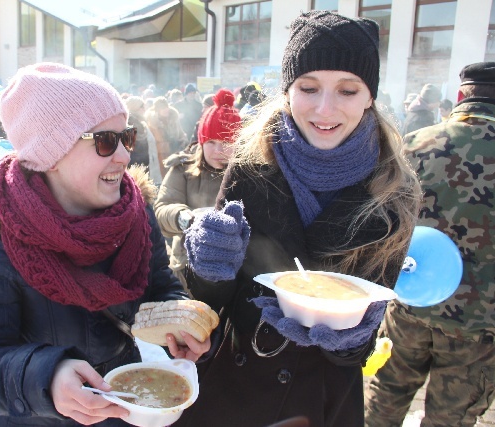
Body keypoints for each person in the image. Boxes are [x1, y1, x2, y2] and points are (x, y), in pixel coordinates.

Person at [174, 11, 421, 427]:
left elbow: (357, 347)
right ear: (287, 91)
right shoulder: (252, 167)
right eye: (309, 87)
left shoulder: (393, 194)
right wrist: (209, 263)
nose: (325, 109)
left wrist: (350, 339)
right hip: (232, 386)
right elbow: (212, 301)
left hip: (320, 398)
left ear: (370, 96)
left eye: (347, 89)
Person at [0, 63, 210, 426]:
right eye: (104, 141)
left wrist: (176, 318)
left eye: (126, 137)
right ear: (49, 156)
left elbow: (157, 283)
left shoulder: (134, 214)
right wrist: (46, 377)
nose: (123, 156)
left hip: (123, 406)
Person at [364, 62, 495, 427]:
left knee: (382, 402)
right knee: (450, 419)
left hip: (409, 302)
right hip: (479, 327)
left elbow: (376, 219)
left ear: (460, 98)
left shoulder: (417, 142)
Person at [154, 88, 240, 292]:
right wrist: (185, 218)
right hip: (187, 267)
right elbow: (161, 209)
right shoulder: (183, 169)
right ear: (201, 142)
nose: (218, 150)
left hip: (235, 271)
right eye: (211, 142)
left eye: (227, 142)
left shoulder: (250, 175)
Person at [145, 96, 189, 178]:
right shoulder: (152, 123)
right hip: (161, 157)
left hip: (176, 152)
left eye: (166, 107)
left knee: (177, 177)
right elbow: (153, 143)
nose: (166, 109)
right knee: (165, 178)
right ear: (157, 110)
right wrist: (169, 145)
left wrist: (182, 140)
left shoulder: (174, 118)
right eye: (163, 108)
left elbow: (181, 133)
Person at [125, 96, 161, 185]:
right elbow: (130, 148)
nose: (144, 109)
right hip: (137, 167)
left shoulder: (140, 122)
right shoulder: (130, 124)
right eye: (142, 107)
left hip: (142, 164)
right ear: (135, 107)